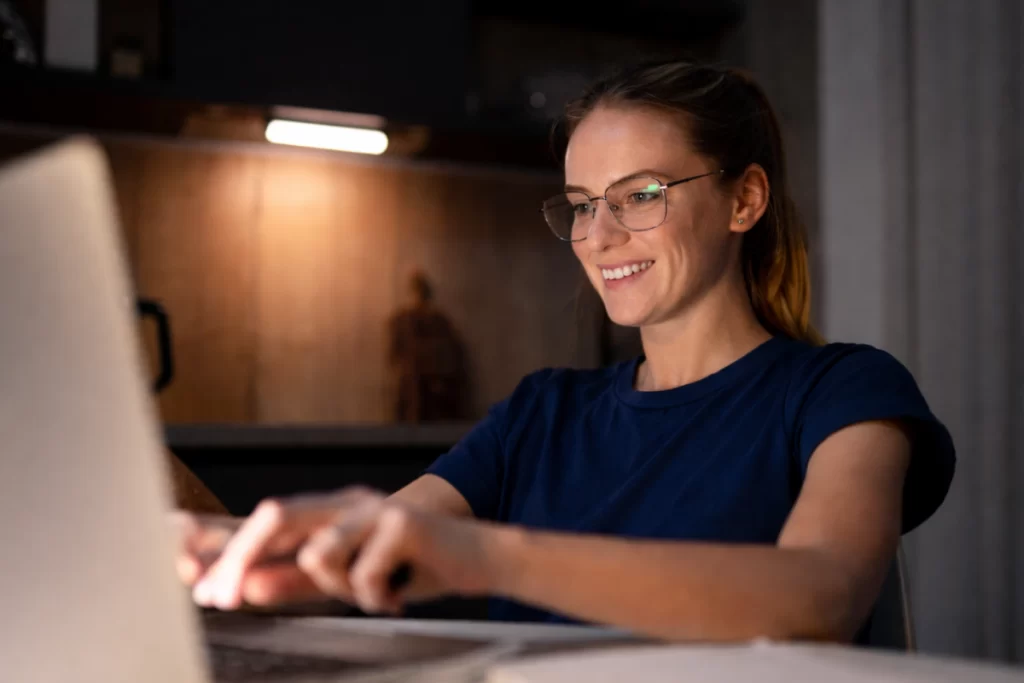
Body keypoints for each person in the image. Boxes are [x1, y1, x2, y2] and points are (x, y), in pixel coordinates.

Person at [176, 61, 955, 643]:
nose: (600, 235)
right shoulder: (541, 412)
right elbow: (342, 566)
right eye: (583, 206)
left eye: (640, 194)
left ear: (744, 199)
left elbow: (818, 599)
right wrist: (210, 547)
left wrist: (490, 556)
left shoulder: (845, 392)